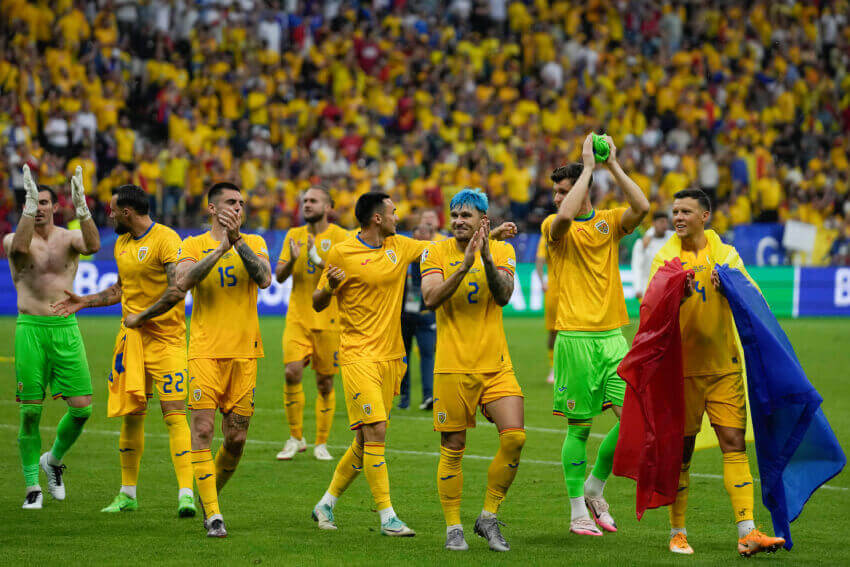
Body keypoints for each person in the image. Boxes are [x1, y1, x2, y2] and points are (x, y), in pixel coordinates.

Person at [309, 191, 515, 536]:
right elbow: (317, 302)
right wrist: (328, 287)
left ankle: (326, 502)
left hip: (392, 357)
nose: (398, 216)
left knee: (364, 441)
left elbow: (448, 247)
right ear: (377, 218)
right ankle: (387, 516)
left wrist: (488, 236)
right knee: (376, 432)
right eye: (392, 211)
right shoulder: (342, 251)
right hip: (357, 355)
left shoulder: (400, 246)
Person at [648, 188, 786, 556]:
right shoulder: (664, 257)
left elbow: (754, 297)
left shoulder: (725, 255)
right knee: (683, 454)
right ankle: (677, 532)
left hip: (724, 368)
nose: (678, 217)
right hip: (682, 373)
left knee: (734, 444)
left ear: (704, 216)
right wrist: (674, 295)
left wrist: (731, 290)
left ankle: (747, 531)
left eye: (685, 212)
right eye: (675, 211)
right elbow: (649, 309)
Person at [52, 184, 196, 517]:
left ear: (127, 212)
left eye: (113, 209)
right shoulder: (121, 242)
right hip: (131, 342)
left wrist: (142, 316)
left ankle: (186, 494)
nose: (110, 214)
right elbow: (120, 288)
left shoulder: (166, 240)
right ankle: (127, 494)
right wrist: (85, 301)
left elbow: (178, 290)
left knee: (175, 414)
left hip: (166, 341)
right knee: (132, 415)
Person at [546, 134, 650, 536]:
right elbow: (566, 220)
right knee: (580, 428)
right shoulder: (554, 227)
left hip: (612, 339)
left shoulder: (608, 222)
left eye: (562, 190)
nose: (557, 198)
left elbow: (641, 207)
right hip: (574, 338)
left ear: (582, 190)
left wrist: (611, 166)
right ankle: (577, 512)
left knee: (633, 421)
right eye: (555, 191)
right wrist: (586, 169)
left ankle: (594, 486)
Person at [420, 189, 525, 552]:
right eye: (455, 215)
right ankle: (453, 528)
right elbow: (430, 299)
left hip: (496, 365)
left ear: (484, 220)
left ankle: (488, 516)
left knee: (514, 438)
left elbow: (505, 295)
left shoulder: (503, 251)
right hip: (452, 366)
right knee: (453, 446)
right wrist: (465, 265)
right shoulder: (435, 252)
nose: (458, 221)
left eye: (466, 215)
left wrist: (485, 257)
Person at [175, 182, 272, 537]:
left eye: (242, 203)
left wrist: (238, 242)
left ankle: (207, 492)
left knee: (237, 439)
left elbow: (264, 279)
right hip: (204, 351)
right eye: (231, 202)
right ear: (212, 209)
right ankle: (214, 515)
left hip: (245, 353)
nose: (238, 208)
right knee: (202, 430)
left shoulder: (256, 243)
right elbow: (183, 281)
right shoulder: (192, 244)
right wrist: (219, 249)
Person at [5, 165, 98, 509]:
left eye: (44, 202)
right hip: (30, 329)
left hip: (65, 328)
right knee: (30, 413)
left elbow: (92, 244)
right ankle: (32, 487)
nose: (41, 207)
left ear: (55, 206)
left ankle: (53, 461)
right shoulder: (14, 239)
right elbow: (21, 247)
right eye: (35, 202)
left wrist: (83, 207)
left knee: (82, 410)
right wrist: (27, 208)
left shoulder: (68, 238)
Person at [275, 187, 350, 461]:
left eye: (313, 200)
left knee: (325, 384)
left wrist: (317, 259)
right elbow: (280, 277)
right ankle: (295, 437)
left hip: (329, 319)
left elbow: (343, 275)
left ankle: (321, 442)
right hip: (297, 317)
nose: (307, 204)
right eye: (304, 200)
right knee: (291, 373)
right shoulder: (293, 235)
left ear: (328, 207)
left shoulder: (341, 237)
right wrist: (293, 259)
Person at [399, 222, 436, 410]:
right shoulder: (404, 257)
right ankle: (404, 397)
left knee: (428, 354)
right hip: (405, 316)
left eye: (423, 233)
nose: (419, 237)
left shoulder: (436, 257)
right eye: (416, 233)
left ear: (431, 236)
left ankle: (428, 396)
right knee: (403, 357)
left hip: (426, 314)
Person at [535, 212, 558, 384]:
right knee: (553, 332)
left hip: (573, 290)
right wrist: (543, 280)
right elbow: (539, 260)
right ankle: (553, 368)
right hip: (554, 291)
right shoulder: (547, 236)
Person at [631, 212, 674, 300]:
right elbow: (637, 266)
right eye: (662, 222)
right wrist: (637, 288)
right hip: (647, 286)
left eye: (666, 222)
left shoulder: (672, 238)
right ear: (654, 223)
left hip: (668, 287)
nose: (665, 225)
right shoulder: (642, 243)